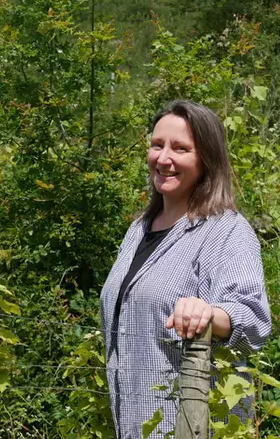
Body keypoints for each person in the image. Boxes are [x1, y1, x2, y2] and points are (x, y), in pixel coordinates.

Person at [100, 100, 271, 439]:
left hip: (195, 429)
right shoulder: (138, 231)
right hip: (133, 427)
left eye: (181, 149)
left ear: (207, 159)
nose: (164, 158)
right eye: (157, 145)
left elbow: (253, 319)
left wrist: (209, 313)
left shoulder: (225, 230)